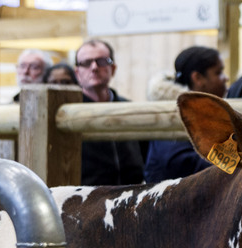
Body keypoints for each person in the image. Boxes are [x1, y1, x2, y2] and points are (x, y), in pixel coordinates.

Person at [144, 46, 228, 183]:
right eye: (218, 72)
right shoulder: (173, 113)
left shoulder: (199, 111)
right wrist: (236, 163)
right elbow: (179, 162)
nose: (226, 78)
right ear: (198, 78)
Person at [74, 39, 144, 186]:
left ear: (113, 68)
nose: (94, 67)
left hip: (131, 195)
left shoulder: (130, 109)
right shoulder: (71, 112)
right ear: (77, 72)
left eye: (101, 61)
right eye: (86, 63)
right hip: (87, 199)